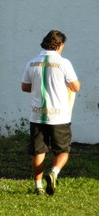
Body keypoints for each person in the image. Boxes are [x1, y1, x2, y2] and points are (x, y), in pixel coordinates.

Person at [21, 30, 81, 195]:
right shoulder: (64, 63)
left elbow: (25, 87)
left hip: (37, 114)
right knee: (62, 151)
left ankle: (38, 186)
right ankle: (54, 172)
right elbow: (76, 87)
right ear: (60, 45)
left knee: (38, 151)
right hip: (59, 115)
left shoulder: (32, 63)